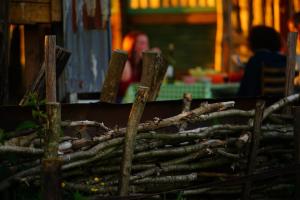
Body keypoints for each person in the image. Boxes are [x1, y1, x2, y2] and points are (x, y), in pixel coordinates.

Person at [237, 25, 286, 97]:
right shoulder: (284, 60)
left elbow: (245, 92)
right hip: (283, 104)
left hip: (261, 106)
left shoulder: (255, 61)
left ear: (254, 42)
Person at [118, 31, 160, 100]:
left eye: (147, 44)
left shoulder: (142, 64)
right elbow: (126, 90)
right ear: (132, 45)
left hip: (137, 102)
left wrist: (156, 60)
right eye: (142, 43)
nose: (146, 47)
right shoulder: (126, 62)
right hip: (122, 103)